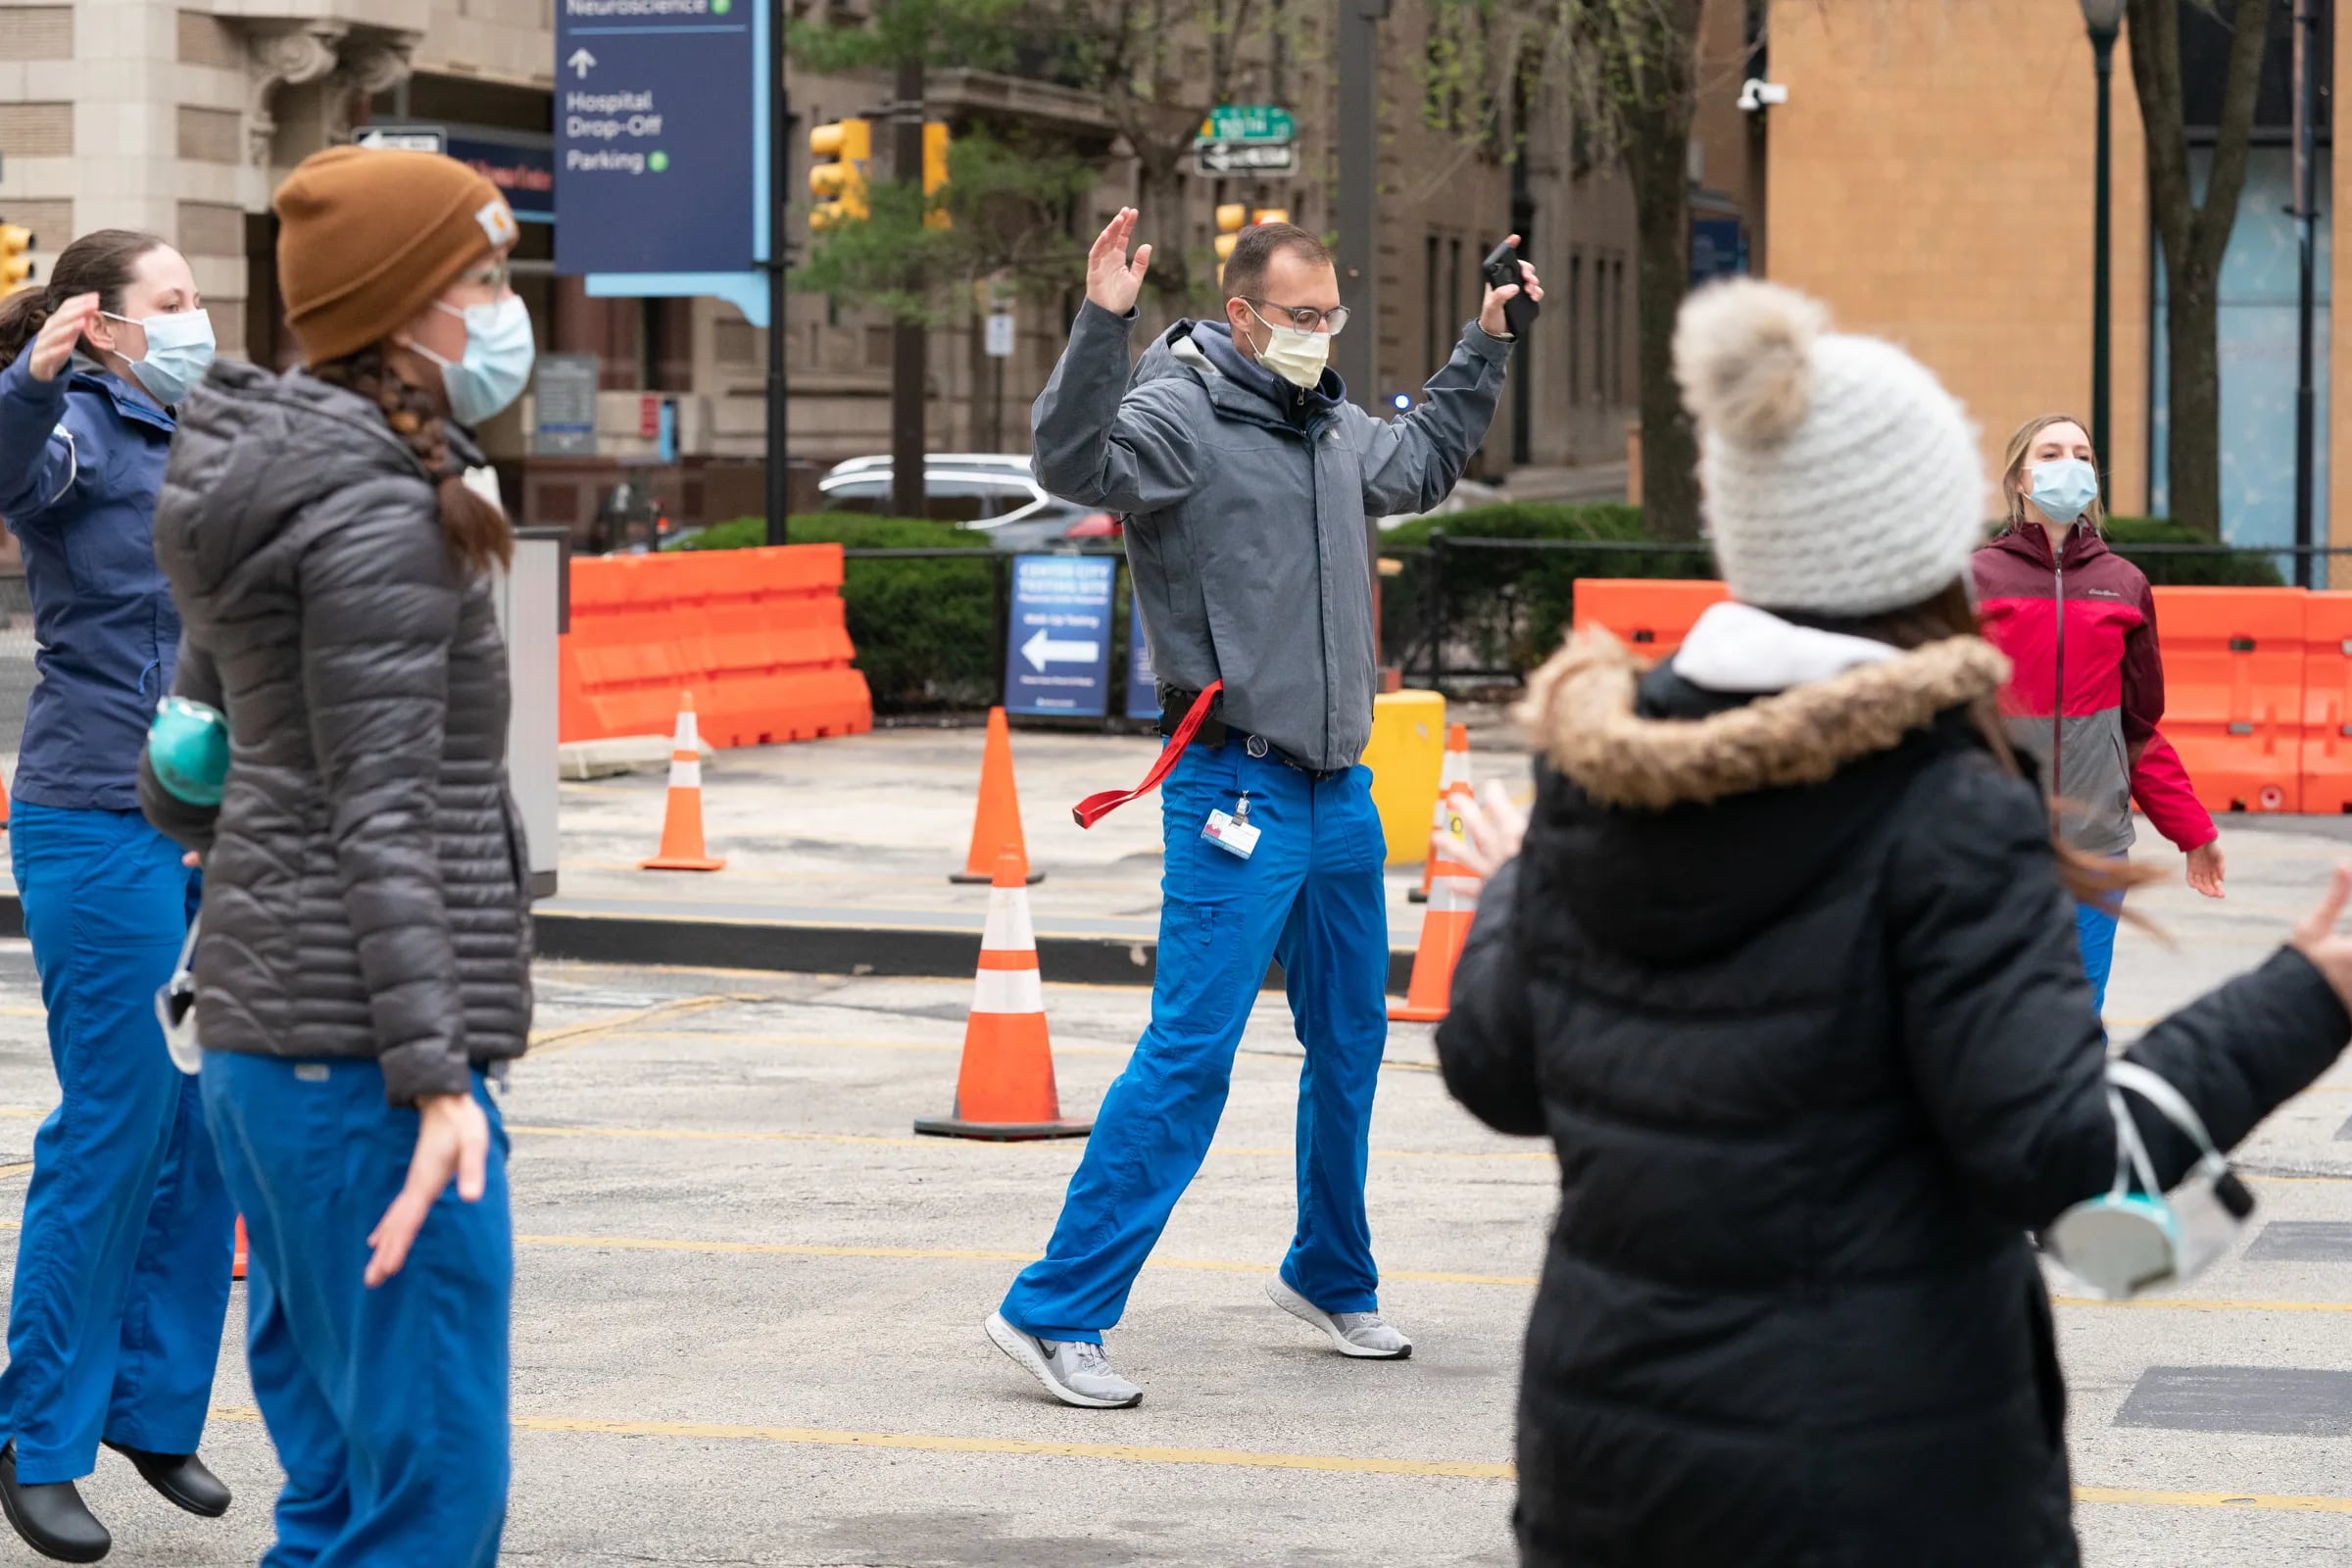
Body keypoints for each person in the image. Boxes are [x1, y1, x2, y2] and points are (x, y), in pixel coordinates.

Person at [1431, 278, 2352, 1567]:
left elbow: (1493, 1072)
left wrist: (1512, 887)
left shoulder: (1599, 770)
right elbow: (2062, 1165)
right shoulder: (1951, 810)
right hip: (1881, 1487)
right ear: (1924, 548)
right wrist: (2308, 992)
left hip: (1608, 1470)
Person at [984, 210, 1538, 1408]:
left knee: (1352, 1043)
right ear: (1242, 316)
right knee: (1189, 1056)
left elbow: (1422, 463)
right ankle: (1055, 1308)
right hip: (1233, 784)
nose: (1320, 333)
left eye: (1331, 315)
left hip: (1340, 791)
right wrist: (1101, 321)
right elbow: (1072, 465)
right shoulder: (1180, 411)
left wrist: (1483, 342)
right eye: (1300, 317)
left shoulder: (1328, 421)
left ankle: (1328, 1272)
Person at [138, 146, 533, 1566]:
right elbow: (387, 813)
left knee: (336, 1504)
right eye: (479, 280)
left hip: (265, 1052)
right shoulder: (374, 509)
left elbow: (185, 777)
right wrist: (436, 1082)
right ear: (405, 310)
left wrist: (275, 794)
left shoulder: (266, 480)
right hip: (360, 1064)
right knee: (424, 1512)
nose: (500, 308)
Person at [0, 230, 234, 1561]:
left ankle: (149, 1402)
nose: (199, 319)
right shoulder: (71, 429)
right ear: (100, 322)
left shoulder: (218, 430)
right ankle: (39, 1436)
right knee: (120, 1120)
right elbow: (6, 474)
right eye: (176, 301)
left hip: (223, 819)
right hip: (99, 818)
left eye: (201, 297)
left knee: (210, 1123)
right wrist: (30, 381)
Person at [1974, 415, 2223, 1014]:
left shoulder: (2125, 584)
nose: (2071, 465)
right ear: (2019, 478)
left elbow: (2136, 730)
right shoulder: (1975, 579)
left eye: (2082, 455)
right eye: (2052, 452)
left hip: (2095, 849)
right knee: (1988, 1014)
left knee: (2077, 1014)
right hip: (1990, 846)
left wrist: (2192, 830)